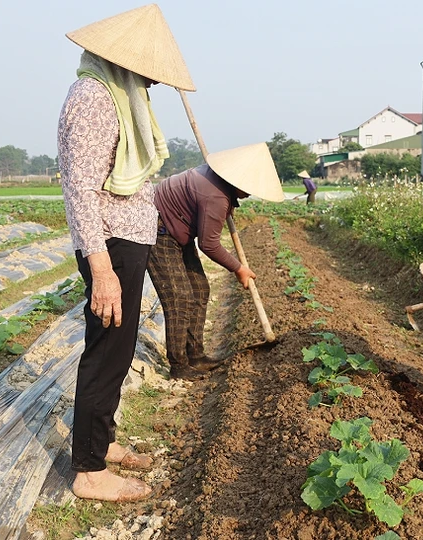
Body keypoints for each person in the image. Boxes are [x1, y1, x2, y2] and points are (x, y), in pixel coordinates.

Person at [58, 4, 195, 503]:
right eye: (147, 73)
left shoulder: (118, 98)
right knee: (106, 351)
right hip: (109, 245)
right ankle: (90, 472)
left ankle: (104, 440)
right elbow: (79, 190)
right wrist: (100, 268)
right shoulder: (93, 98)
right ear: (122, 62)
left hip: (127, 240)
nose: (153, 84)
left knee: (118, 348)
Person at [148, 143, 284, 378]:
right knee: (179, 297)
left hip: (178, 229)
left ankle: (196, 355)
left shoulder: (219, 185)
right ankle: (179, 365)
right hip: (157, 230)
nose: (251, 192)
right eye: (249, 187)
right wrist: (238, 268)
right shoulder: (215, 196)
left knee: (199, 289)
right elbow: (209, 244)